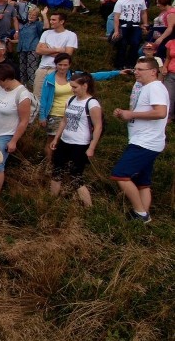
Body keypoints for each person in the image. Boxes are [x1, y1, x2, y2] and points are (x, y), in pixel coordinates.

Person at [111, 57, 169, 223]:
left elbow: (160, 112)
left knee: (120, 175)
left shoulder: (154, 87)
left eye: (140, 69)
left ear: (153, 71)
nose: (136, 72)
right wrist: (125, 115)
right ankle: (143, 217)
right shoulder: (147, 87)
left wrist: (132, 114)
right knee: (143, 183)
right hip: (146, 140)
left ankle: (140, 213)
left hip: (145, 143)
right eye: (135, 69)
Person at [49, 73, 103, 207]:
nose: (73, 90)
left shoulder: (92, 103)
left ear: (85, 86)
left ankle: (89, 207)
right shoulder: (71, 100)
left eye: (75, 87)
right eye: (71, 87)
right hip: (65, 141)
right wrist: (56, 138)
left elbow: (98, 127)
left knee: (76, 175)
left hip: (80, 144)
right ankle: (51, 200)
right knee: (57, 170)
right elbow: (64, 120)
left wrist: (91, 147)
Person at [0, 63, 33, 193]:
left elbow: (24, 121)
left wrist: (13, 141)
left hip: (5, 134)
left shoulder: (22, 95)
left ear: (7, 79)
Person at [34, 12, 78, 99]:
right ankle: (38, 112)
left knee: (52, 95)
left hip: (57, 69)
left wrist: (46, 50)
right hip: (42, 67)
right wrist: (58, 50)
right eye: (50, 19)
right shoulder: (46, 33)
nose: (51, 22)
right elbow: (38, 50)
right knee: (37, 94)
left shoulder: (71, 35)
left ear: (61, 21)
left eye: (54, 20)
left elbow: (67, 55)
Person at [112, 0, 149, 70]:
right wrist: (116, 30)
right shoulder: (121, 1)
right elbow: (116, 16)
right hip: (124, 24)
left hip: (136, 24)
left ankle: (131, 64)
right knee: (122, 44)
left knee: (135, 43)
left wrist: (145, 24)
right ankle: (119, 64)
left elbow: (144, 12)